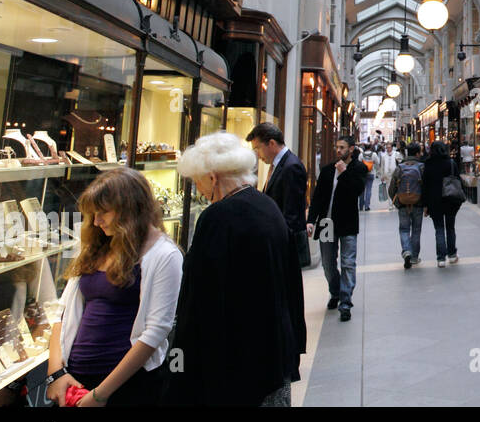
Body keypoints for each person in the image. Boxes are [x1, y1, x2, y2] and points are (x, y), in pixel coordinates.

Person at [168, 132, 306, 406]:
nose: (199, 190)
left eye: (197, 181)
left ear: (213, 177)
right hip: (274, 350)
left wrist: (180, 365)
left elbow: (200, 299)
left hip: (239, 361)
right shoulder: (266, 206)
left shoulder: (218, 217)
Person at [46, 168, 182, 407]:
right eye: (94, 214)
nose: (97, 222)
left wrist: (100, 394)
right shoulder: (98, 244)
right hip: (75, 378)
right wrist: (56, 374)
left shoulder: (165, 255)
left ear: (130, 209)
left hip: (127, 386)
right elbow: (62, 310)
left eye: (103, 213)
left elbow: (155, 332)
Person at [307, 136, 368, 321]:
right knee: (327, 264)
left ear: (351, 149)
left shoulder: (359, 168)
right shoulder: (327, 170)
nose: (338, 150)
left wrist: (345, 173)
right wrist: (311, 220)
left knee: (348, 263)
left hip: (348, 223)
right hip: (326, 223)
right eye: (337, 147)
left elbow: (356, 191)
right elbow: (318, 197)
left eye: (342, 147)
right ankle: (335, 291)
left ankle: (346, 302)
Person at [247, 122, 309, 266]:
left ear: (272, 143)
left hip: (286, 245)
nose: (257, 154)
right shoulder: (279, 165)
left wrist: (277, 245)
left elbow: (291, 214)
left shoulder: (291, 166)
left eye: (258, 148)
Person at [420, 140, 462, 268]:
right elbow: (458, 180)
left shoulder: (428, 164)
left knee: (439, 229)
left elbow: (425, 186)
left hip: (434, 202)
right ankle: (452, 255)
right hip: (450, 200)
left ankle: (441, 258)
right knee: (450, 227)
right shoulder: (451, 163)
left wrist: (425, 205)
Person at [389, 142, 426, 269]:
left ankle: (406, 251)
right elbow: (426, 187)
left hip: (403, 203)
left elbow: (391, 188)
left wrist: (397, 201)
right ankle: (415, 257)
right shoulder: (422, 167)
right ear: (417, 153)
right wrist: (425, 203)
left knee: (404, 229)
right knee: (416, 230)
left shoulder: (400, 167)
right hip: (418, 203)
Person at [359, 143, 378, 210]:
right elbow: (377, 163)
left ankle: (361, 206)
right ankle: (367, 206)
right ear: (370, 147)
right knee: (369, 190)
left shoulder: (361, 155)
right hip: (371, 173)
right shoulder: (374, 154)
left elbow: (358, 164)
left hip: (362, 174)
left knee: (362, 190)